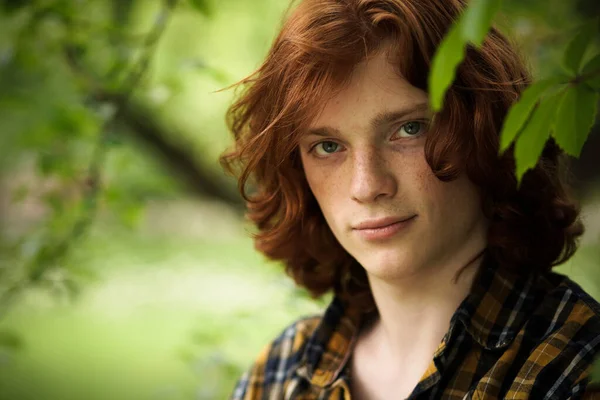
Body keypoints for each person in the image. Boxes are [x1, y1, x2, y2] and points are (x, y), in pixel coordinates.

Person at [220, 0, 600, 398]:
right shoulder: (279, 376)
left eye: (409, 128)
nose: (367, 186)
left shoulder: (578, 368)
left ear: (485, 130)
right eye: (329, 146)